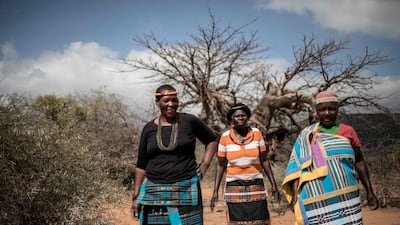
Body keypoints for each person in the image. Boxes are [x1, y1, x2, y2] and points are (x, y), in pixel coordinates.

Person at [282, 90, 379, 225]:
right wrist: (294, 197)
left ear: (337, 109)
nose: (327, 113)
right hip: (316, 199)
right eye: (322, 110)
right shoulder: (307, 135)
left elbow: (359, 162)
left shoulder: (348, 132)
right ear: (316, 111)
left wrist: (370, 191)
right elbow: (297, 168)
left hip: (347, 195)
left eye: (331, 109)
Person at [131, 84, 218, 225]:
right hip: (154, 189)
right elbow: (141, 164)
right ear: (157, 103)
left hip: (186, 186)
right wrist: (136, 196)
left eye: (174, 100)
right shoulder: (148, 128)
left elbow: (212, 139)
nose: (171, 104)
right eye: (166, 101)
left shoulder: (189, 121)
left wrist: (205, 164)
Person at [210, 103, 280, 225]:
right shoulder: (225, 137)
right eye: (237, 116)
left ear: (247, 117)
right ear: (231, 119)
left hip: (256, 184)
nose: (240, 118)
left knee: (261, 221)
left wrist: (274, 185)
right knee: (237, 221)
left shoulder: (257, 133)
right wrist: (215, 191)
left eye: (243, 115)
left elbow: (264, 160)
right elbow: (220, 165)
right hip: (234, 185)